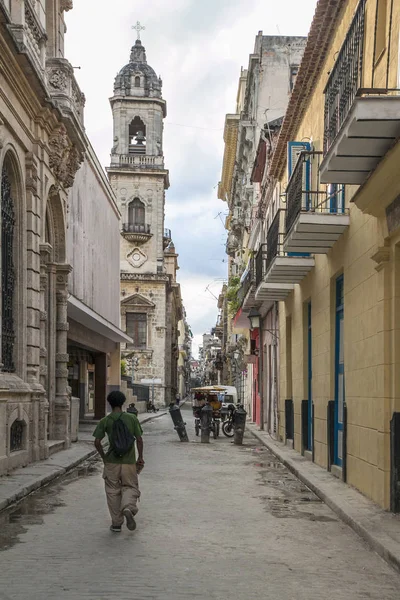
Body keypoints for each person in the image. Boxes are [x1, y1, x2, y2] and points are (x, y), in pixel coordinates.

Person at [93, 391, 144, 533]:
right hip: (129, 462)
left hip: (111, 461)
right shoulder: (132, 418)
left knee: (112, 491)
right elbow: (139, 439)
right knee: (130, 487)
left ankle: (116, 524)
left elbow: (97, 442)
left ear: (109, 403)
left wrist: (104, 457)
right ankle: (128, 507)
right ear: (123, 403)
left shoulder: (105, 420)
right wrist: (140, 457)